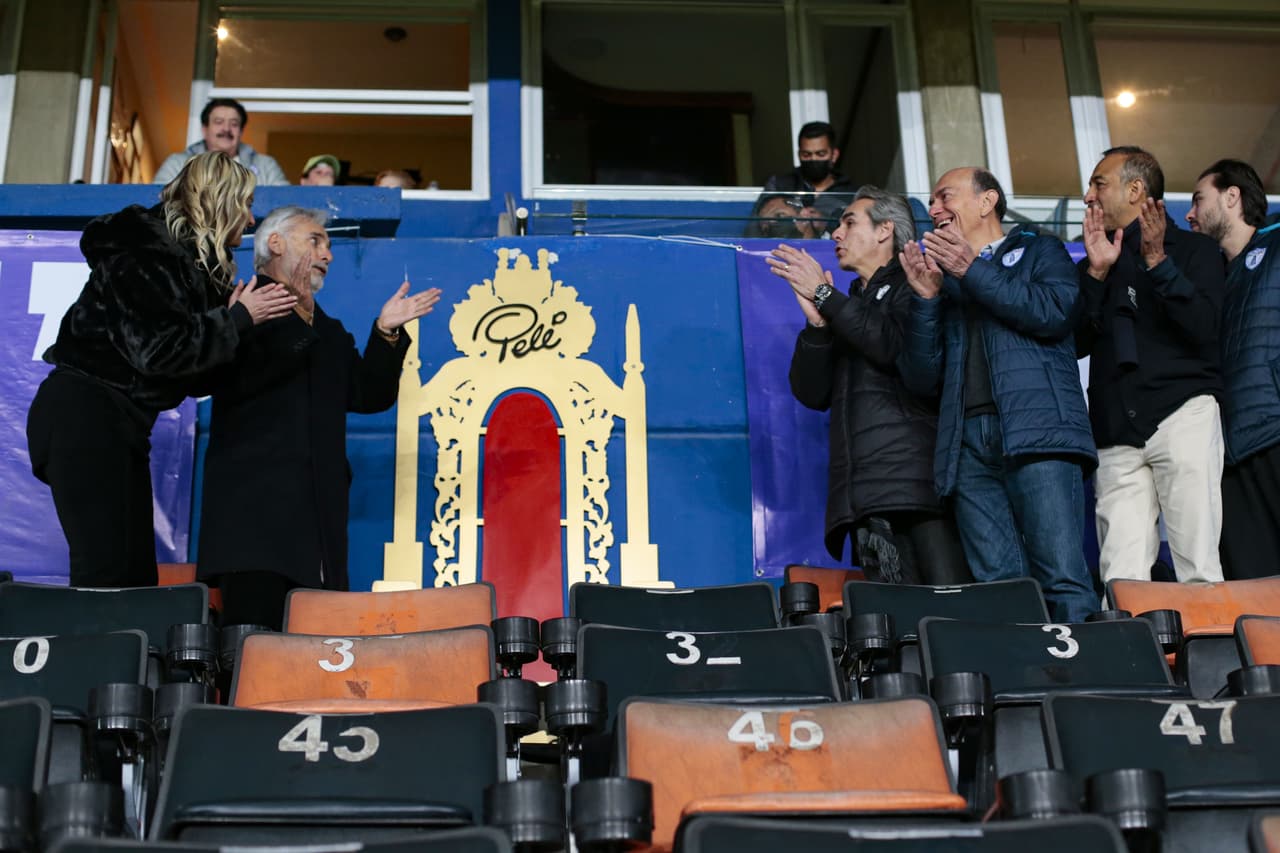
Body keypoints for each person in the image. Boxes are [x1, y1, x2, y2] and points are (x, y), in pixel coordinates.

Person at [26, 152, 297, 587]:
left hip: (120, 426)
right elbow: (157, 352)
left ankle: (121, 655)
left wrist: (235, 324)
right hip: (85, 414)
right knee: (106, 579)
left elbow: (192, 377)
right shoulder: (144, 250)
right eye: (244, 206)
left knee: (133, 582)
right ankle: (93, 655)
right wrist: (236, 319)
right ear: (220, 202)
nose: (249, 222)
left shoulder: (192, 268)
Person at [197, 206, 442, 628]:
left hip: (317, 534)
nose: (327, 254)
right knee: (252, 659)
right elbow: (211, 376)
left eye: (328, 245)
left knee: (312, 663)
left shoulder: (327, 331)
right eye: (315, 241)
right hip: (253, 530)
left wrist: (386, 332)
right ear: (275, 243)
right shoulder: (242, 307)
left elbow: (367, 394)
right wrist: (249, 319)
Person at [898, 167, 1099, 622]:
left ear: (987, 201)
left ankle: (1087, 685)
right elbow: (922, 378)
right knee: (999, 588)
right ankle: (1023, 687)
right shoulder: (942, 279)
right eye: (930, 202)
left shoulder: (1039, 249)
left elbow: (1053, 312)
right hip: (966, 445)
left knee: (1064, 577)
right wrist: (927, 300)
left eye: (944, 196)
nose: (933, 210)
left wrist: (972, 270)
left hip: (1038, 432)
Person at [769, 186, 970, 585]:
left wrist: (825, 295)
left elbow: (892, 346)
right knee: (895, 626)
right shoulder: (850, 303)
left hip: (918, 491)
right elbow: (812, 393)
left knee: (947, 614)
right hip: (867, 495)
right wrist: (818, 325)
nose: (835, 234)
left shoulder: (917, 281)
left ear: (885, 231)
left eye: (849, 222)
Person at [1076, 146, 1225, 585]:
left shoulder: (1196, 250)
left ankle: (1209, 652)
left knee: (1197, 566)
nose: (1088, 196)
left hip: (1182, 414)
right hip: (1115, 430)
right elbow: (1076, 342)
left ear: (1136, 189)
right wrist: (1095, 277)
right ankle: (1125, 655)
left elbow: (1204, 329)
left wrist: (1159, 264)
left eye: (1099, 184)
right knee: (1120, 578)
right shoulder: (1095, 259)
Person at [1187, 159, 1280, 579]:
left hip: (1274, 432)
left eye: (1198, 199)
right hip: (1229, 453)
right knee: (1253, 586)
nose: (1189, 214)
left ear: (1231, 196)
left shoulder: (1277, 242)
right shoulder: (1210, 280)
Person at [154, 98, 288, 186]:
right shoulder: (178, 164)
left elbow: (284, 203)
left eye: (234, 124)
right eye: (219, 122)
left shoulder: (265, 165)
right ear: (205, 129)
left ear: (241, 131)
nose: (226, 129)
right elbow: (157, 199)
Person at [762, 121, 856, 229]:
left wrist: (826, 224)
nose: (813, 159)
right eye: (806, 155)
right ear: (799, 155)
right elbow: (754, 230)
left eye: (821, 154)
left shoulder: (851, 194)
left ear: (834, 155)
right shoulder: (779, 185)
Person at [744, 192, 823, 240]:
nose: (771, 223)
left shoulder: (832, 245)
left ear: (806, 213)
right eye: (765, 227)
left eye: (779, 216)